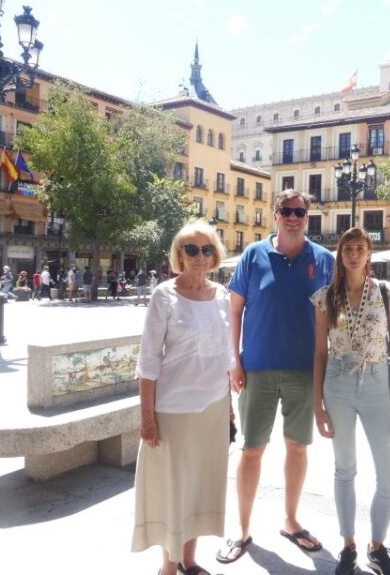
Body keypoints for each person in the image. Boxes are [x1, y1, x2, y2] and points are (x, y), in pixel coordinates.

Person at [217, 189, 334, 564]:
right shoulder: (254, 255)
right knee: (252, 449)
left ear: (308, 216)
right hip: (258, 369)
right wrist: (234, 360)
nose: (294, 216)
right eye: (287, 210)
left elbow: (336, 314)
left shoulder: (324, 260)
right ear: (275, 213)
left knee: (297, 447)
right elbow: (235, 310)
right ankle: (242, 529)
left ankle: (291, 520)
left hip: (304, 370)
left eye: (300, 211)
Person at [312, 228, 390, 575]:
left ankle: (377, 546)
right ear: (340, 255)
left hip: (374, 384)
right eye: (348, 249)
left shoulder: (386, 293)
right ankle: (348, 546)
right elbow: (319, 354)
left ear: (369, 253)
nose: (354, 254)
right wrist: (318, 406)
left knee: (389, 474)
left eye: (360, 248)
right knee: (345, 469)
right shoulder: (326, 297)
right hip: (337, 385)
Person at [131, 220, 232, 575]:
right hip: (173, 410)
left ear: (215, 254)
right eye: (191, 249)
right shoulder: (164, 295)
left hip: (214, 409)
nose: (200, 256)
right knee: (173, 488)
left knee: (201, 484)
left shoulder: (220, 295)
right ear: (179, 255)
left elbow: (224, 357)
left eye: (206, 249)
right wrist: (147, 418)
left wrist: (230, 412)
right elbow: (148, 361)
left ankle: (190, 560)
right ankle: (168, 566)